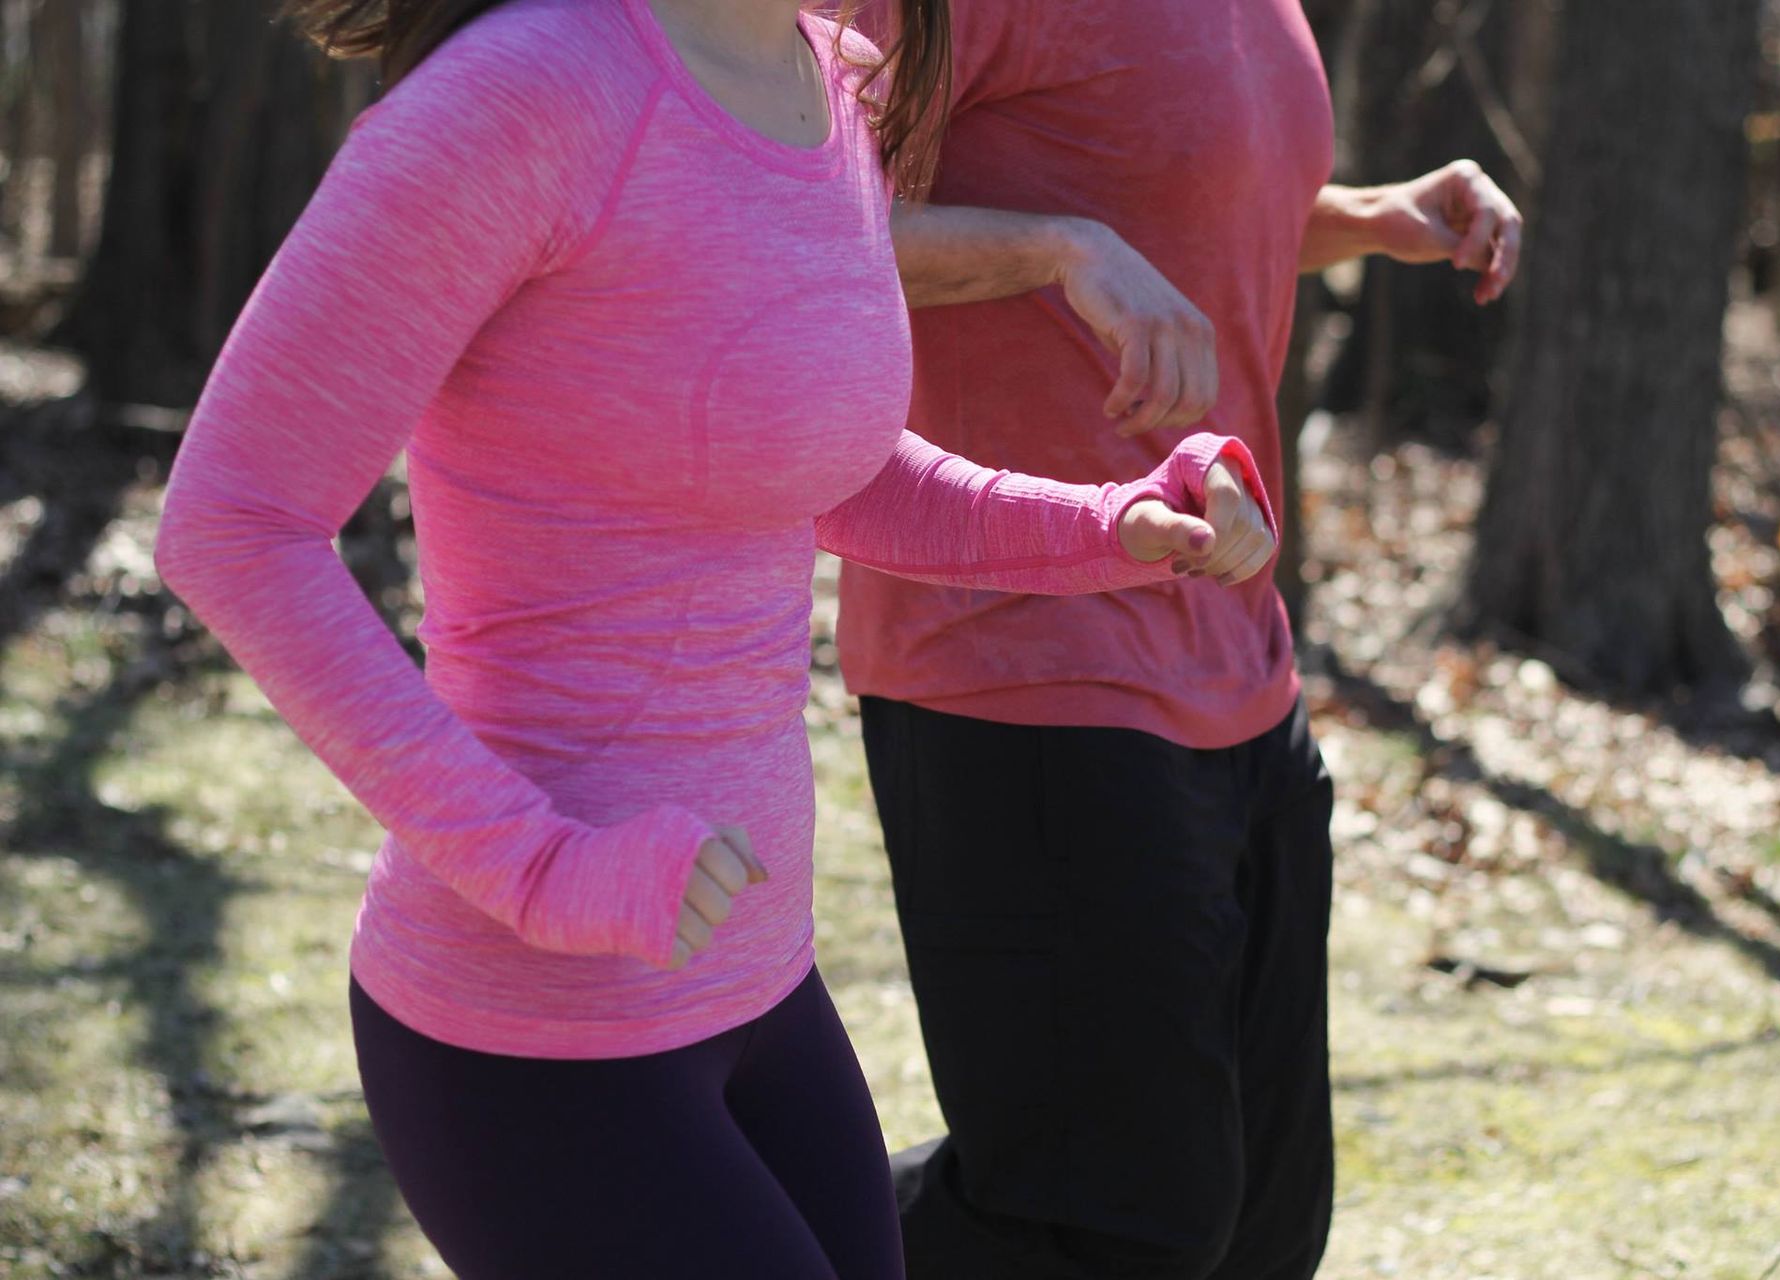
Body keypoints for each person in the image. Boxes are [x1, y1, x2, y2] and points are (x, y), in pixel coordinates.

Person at [152, 0, 1281, 1276]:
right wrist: (537, 863)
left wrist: (1106, 523)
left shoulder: (827, 78)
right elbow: (235, 525)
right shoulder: (525, 94)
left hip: (757, 984)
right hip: (530, 1022)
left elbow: (813, 462)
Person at [840, 3, 1525, 1277]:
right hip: (1015, 661)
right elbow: (789, 218)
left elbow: (1186, 214)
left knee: (1261, 1226)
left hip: (1237, 667)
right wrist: (1054, 250)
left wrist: (1372, 215)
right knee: (1105, 1221)